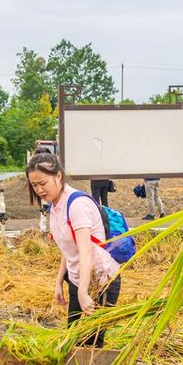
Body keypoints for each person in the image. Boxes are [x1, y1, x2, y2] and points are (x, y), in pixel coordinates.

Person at [27, 149, 121, 347]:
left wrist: (83, 292)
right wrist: (59, 281)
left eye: (43, 183)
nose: (39, 190)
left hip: (100, 280)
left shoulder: (76, 204)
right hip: (80, 280)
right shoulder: (54, 206)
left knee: (90, 346)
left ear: (58, 176)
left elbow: (85, 251)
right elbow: (68, 248)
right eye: (34, 185)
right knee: (75, 342)